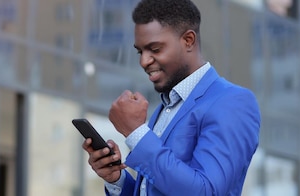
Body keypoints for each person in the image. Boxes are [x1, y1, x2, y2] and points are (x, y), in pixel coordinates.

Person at [81, 0, 261, 195]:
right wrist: (116, 179)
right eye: (140, 51)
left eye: (155, 49)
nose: (144, 61)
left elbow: (207, 191)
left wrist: (136, 133)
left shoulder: (231, 102)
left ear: (188, 40)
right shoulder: (165, 107)